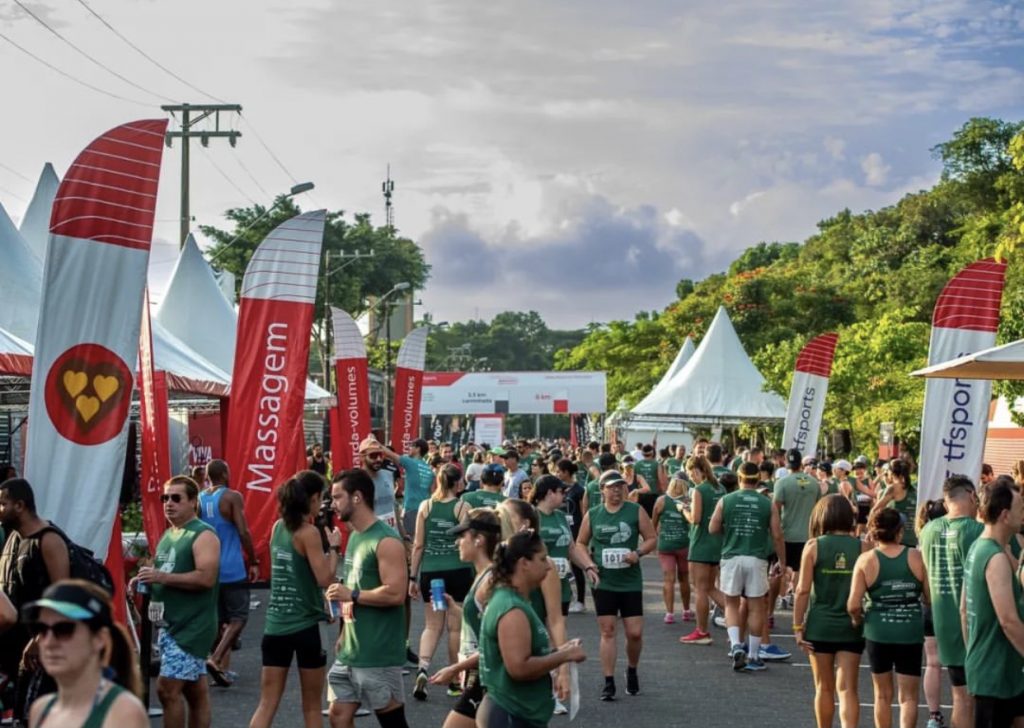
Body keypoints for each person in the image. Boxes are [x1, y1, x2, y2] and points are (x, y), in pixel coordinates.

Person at [249, 472, 341, 728]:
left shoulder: (278, 527)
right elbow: (324, 579)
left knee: (266, 704)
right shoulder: (308, 532)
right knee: (311, 707)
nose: (321, 503)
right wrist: (333, 548)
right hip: (306, 626)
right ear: (312, 499)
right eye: (320, 498)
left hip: (275, 625)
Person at [477, 530, 587, 727]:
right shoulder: (512, 609)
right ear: (524, 563)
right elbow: (518, 668)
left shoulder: (516, 601)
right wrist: (564, 656)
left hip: (517, 713)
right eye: (543, 559)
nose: (548, 566)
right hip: (511, 715)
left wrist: (560, 650)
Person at [326, 469, 410, 728]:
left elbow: (396, 593)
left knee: (392, 722)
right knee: (338, 716)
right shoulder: (355, 536)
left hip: (378, 651)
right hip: (352, 649)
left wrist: (350, 594)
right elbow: (353, 588)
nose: (332, 504)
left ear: (357, 497)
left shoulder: (386, 540)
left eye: (338, 497)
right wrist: (343, 632)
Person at [138, 476, 220, 728]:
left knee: (167, 689)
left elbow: (206, 578)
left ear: (193, 502)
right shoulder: (170, 533)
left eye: (176, 498)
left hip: (192, 627)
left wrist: (161, 576)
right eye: (165, 498)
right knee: (195, 692)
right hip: (169, 626)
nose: (168, 503)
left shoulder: (204, 534)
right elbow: (163, 569)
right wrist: (145, 577)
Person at [23, 579, 147, 728]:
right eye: (41, 629)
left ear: (100, 639)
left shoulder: (122, 712)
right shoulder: (41, 709)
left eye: (64, 629)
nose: (49, 642)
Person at [577, 470, 656, 701]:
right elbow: (580, 543)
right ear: (601, 490)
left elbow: (652, 538)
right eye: (611, 487)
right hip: (605, 581)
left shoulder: (635, 511)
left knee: (634, 633)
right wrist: (589, 565)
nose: (616, 491)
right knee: (608, 631)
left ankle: (631, 669)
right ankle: (608, 681)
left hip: (630, 580)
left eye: (620, 486)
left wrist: (638, 552)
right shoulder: (594, 514)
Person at [848, 508, 928, 728]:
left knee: (882, 695)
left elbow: (853, 604)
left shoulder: (865, 560)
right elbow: (930, 599)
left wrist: (858, 620)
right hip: (909, 631)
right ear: (900, 532)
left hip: (877, 631)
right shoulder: (917, 557)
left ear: (873, 533)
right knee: (909, 697)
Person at [793, 495, 868, 728]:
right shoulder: (863, 546)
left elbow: (802, 591)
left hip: (820, 625)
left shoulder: (814, 546)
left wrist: (797, 627)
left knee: (823, 687)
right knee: (848, 689)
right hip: (852, 625)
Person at [0, 478, 70, 721]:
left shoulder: (48, 539)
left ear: (19, 506)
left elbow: (63, 596)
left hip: (45, 651)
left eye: (3, 503)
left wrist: (40, 639)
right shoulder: (14, 539)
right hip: (21, 652)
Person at [709, 461, 785, 673]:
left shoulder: (726, 500)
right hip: (757, 557)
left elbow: (712, 527)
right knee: (756, 605)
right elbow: (777, 535)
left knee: (731, 603)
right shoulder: (766, 502)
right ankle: (753, 654)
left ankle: (735, 645)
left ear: (739, 477)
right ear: (758, 478)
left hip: (732, 556)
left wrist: (730, 528)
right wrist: (782, 560)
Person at [918, 475, 981, 728]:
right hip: (971, 625)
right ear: (971, 494)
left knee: (960, 697)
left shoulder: (928, 530)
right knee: (970, 700)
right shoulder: (976, 531)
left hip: (941, 618)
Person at [429, 509, 502, 728]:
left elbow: (496, 641)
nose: (457, 542)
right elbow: (484, 624)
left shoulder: (491, 580)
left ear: (479, 540)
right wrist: (455, 609)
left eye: (462, 536)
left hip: (488, 674)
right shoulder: (482, 575)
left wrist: (454, 669)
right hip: (479, 671)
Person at [962, 479, 1024, 728]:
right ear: (1005, 515)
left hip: (998, 671)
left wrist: (973, 655)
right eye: (1020, 507)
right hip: (995, 676)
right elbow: (1008, 621)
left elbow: (964, 611)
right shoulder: (994, 557)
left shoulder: (979, 547)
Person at [409, 465, 472, 701]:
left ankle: (423, 669)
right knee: (455, 627)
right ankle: (454, 681)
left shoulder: (425, 506)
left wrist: (413, 577)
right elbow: (468, 539)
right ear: (457, 483)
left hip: (432, 575)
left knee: (432, 626)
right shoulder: (462, 506)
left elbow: (418, 545)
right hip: (457, 572)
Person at [198, 459, 259, 687]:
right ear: (224, 474)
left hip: (209, 568)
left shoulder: (200, 498)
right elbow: (243, 531)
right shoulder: (232, 497)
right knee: (238, 618)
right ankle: (214, 660)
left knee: (218, 620)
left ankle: (222, 669)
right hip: (232, 568)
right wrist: (253, 560)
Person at [680, 455, 726, 645]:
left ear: (699, 470)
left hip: (700, 543)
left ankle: (702, 631)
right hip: (717, 542)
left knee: (700, 589)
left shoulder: (699, 490)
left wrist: (683, 509)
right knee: (710, 587)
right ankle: (738, 616)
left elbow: (696, 518)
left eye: (692, 473)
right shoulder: (720, 488)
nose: (691, 477)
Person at [531, 476, 592, 618]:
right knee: (541, 636)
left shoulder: (560, 516)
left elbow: (571, 548)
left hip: (561, 588)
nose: (564, 496)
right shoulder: (531, 516)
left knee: (559, 633)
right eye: (561, 492)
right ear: (549, 493)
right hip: (537, 589)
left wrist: (587, 567)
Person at [773, 448, 820, 608]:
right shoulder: (814, 483)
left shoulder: (782, 483)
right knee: (803, 571)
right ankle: (798, 603)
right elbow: (819, 508)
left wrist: (774, 532)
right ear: (801, 463)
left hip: (787, 535)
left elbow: (775, 511)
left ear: (786, 463)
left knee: (781, 569)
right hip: (808, 536)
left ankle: (779, 602)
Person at [652, 473, 693, 623]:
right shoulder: (688, 501)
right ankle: (686, 610)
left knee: (668, 580)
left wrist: (653, 541)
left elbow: (653, 523)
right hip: (684, 544)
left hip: (666, 545)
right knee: (684, 579)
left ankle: (669, 613)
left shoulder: (661, 500)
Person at [873, 458, 918, 547]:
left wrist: (872, 531)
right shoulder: (915, 489)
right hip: (912, 539)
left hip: (894, 539)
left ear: (892, 473)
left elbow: (876, 510)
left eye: (887, 472)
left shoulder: (894, 488)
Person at [399, 438, 435, 541]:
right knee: (421, 540)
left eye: (411, 446)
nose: (408, 449)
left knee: (410, 542)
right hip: (425, 509)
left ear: (418, 449)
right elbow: (432, 493)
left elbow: (390, 455)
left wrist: (376, 443)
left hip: (411, 509)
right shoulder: (429, 470)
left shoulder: (409, 462)